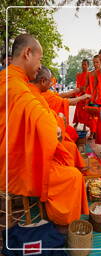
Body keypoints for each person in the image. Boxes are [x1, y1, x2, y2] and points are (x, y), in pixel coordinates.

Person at [0, 34, 89, 225]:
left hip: (16, 152)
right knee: (73, 176)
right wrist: (57, 124)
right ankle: (62, 223)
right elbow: (49, 130)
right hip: (17, 161)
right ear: (28, 53)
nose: (40, 66)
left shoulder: (8, 79)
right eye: (39, 59)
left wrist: (55, 123)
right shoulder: (15, 86)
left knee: (66, 153)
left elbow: (37, 113)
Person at [29, 66, 88, 170]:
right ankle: (71, 166)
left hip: (47, 133)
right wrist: (60, 119)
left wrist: (75, 91)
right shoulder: (36, 94)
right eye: (50, 81)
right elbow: (63, 101)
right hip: (43, 141)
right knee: (70, 138)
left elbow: (59, 97)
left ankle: (73, 163)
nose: (51, 84)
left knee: (70, 135)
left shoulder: (39, 91)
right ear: (43, 81)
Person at [86, 55, 101, 140]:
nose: (95, 64)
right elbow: (86, 85)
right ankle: (92, 133)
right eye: (94, 62)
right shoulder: (90, 74)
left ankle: (97, 133)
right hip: (91, 97)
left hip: (100, 98)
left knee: (99, 118)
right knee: (91, 117)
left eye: (97, 62)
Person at [73, 59, 90, 130]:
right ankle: (76, 123)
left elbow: (90, 86)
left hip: (86, 95)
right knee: (78, 111)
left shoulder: (90, 74)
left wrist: (86, 91)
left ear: (88, 65)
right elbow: (78, 85)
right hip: (80, 95)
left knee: (86, 112)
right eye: (82, 64)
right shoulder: (79, 75)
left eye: (85, 64)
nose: (83, 66)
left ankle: (85, 126)